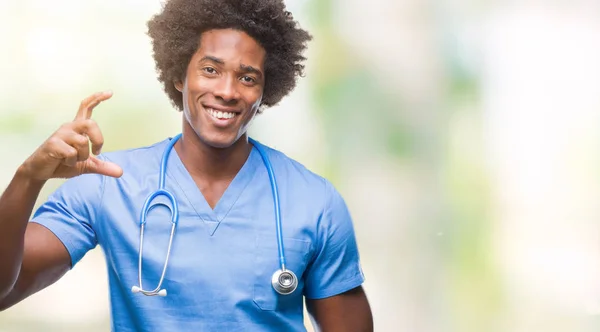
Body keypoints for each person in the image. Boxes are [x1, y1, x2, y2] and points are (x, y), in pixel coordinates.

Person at [0, 0, 373, 330]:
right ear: (179, 74)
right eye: (210, 70)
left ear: (265, 91)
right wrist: (27, 178)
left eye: (247, 77)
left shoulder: (314, 201)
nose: (227, 91)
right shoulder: (109, 183)